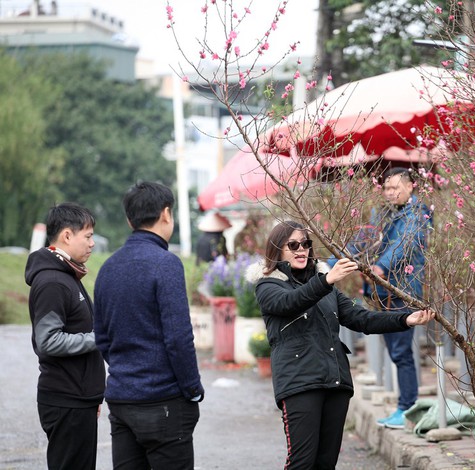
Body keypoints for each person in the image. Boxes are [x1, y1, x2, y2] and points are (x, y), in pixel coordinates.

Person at [246, 220, 435, 470]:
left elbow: (361, 318)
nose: (301, 249)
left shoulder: (325, 286)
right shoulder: (268, 285)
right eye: (293, 245)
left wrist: (405, 319)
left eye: (305, 243)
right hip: (299, 383)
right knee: (302, 462)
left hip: (335, 382)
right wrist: (325, 281)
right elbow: (290, 302)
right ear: (278, 249)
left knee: (326, 463)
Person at [93, 181, 205, 470]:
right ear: (166, 214)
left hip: (121, 400)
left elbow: (102, 338)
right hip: (163, 401)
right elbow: (178, 337)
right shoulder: (165, 263)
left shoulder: (107, 267)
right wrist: (192, 388)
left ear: (130, 220)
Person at [25, 202, 106, 470]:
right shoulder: (52, 281)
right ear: (67, 236)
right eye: (88, 236)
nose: (93, 243)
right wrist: (99, 337)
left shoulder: (66, 276)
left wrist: (92, 395)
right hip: (66, 401)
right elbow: (48, 342)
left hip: (78, 400)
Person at [369, 167, 433, 429]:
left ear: (411, 186)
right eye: (387, 188)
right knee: (396, 353)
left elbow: (402, 245)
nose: (391, 192)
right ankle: (403, 407)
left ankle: (406, 408)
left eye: (396, 187)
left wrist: (380, 266)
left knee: (402, 353)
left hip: (403, 292)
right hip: (387, 291)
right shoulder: (388, 213)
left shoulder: (417, 214)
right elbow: (365, 240)